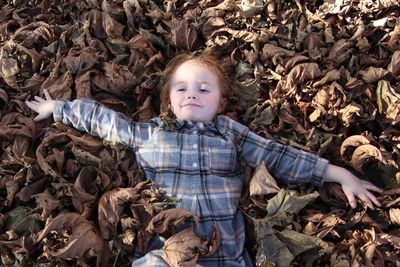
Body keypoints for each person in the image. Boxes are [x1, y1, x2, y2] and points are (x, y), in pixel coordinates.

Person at [25, 52, 382, 266]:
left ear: (220, 103)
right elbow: (108, 123)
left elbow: (277, 155)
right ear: (168, 101)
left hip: (227, 253)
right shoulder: (152, 132)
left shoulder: (229, 133)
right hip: (166, 253)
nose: (192, 94)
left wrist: (336, 173)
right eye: (182, 88)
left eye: (204, 88)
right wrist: (59, 107)